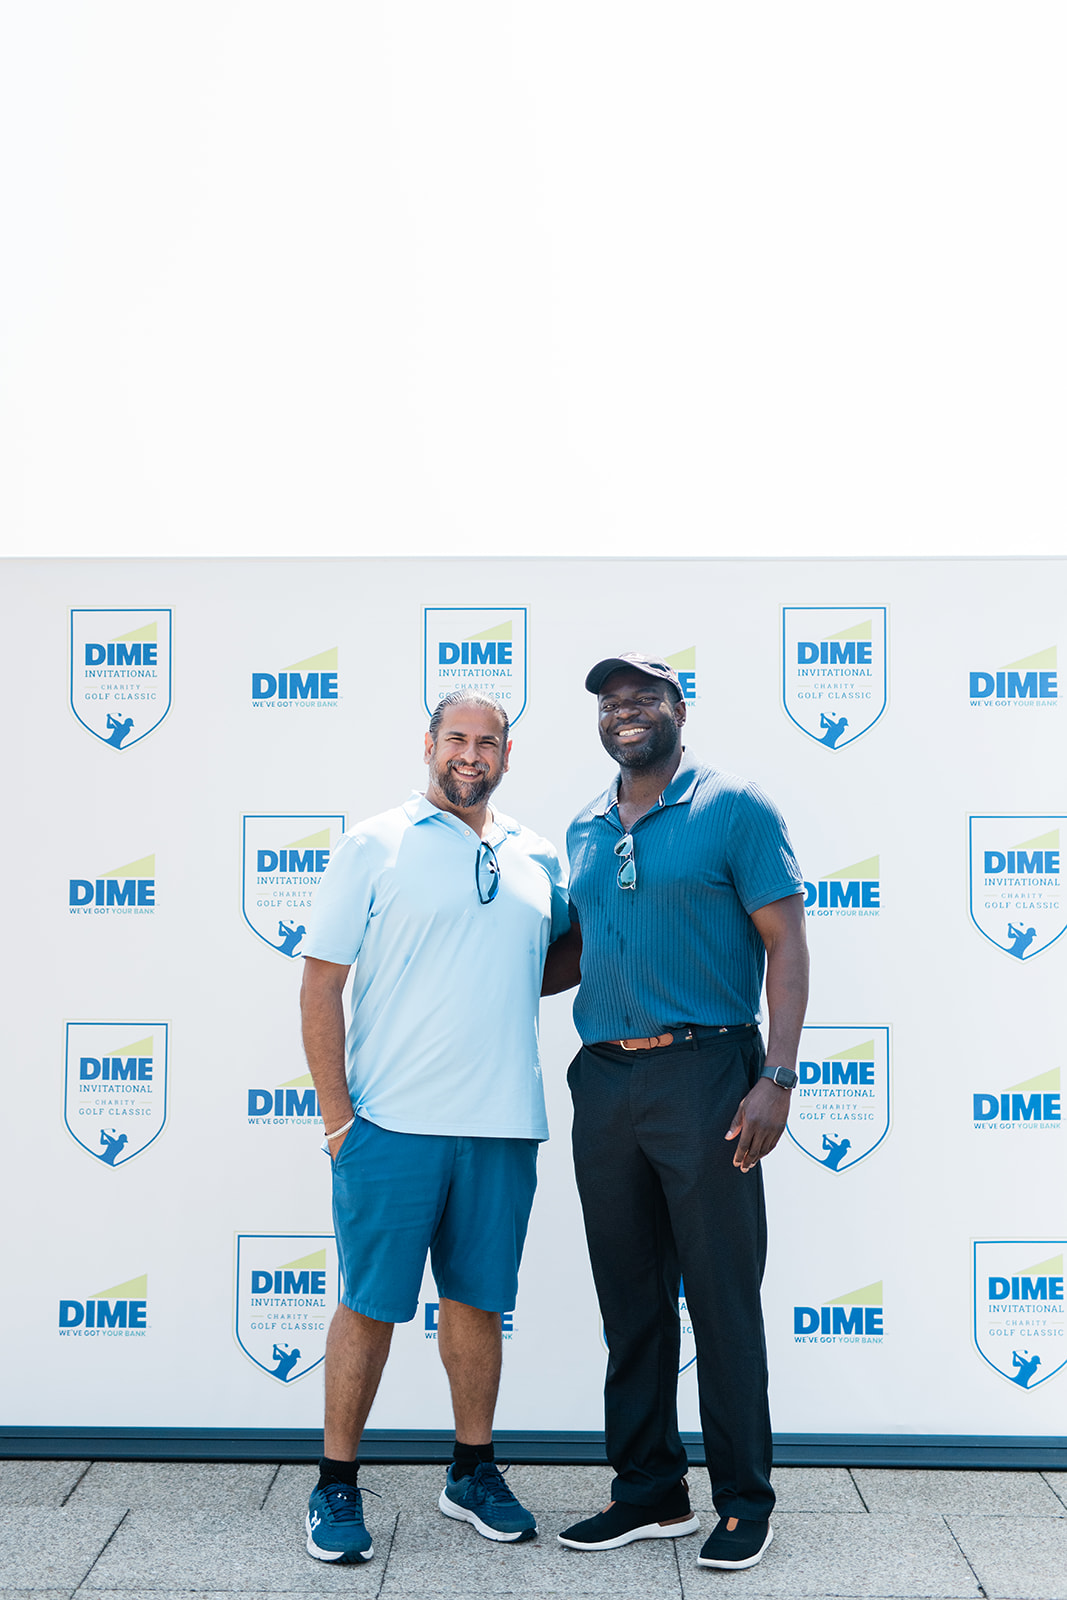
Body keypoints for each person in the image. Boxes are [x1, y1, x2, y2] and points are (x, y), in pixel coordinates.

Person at [544, 653, 809, 1573]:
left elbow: (786, 944)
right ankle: (648, 1491)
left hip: (707, 1076)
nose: (625, 712)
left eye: (644, 698)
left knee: (721, 1299)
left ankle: (742, 1501)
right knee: (630, 1303)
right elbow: (577, 949)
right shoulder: (583, 826)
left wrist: (776, 1076)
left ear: (678, 711)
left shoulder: (734, 807)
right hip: (604, 1081)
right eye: (611, 702)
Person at [299, 691, 569, 1565]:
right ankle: (335, 1482)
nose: (470, 754)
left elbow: (554, 955)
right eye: (456, 737)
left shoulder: (536, 854)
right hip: (390, 1123)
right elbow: (319, 984)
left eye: (488, 741)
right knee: (369, 1306)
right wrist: (339, 1122)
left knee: (478, 1304)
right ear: (428, 744)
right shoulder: (374, 843)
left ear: (506, 754)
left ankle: (471, 1471)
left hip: (502, 1123)